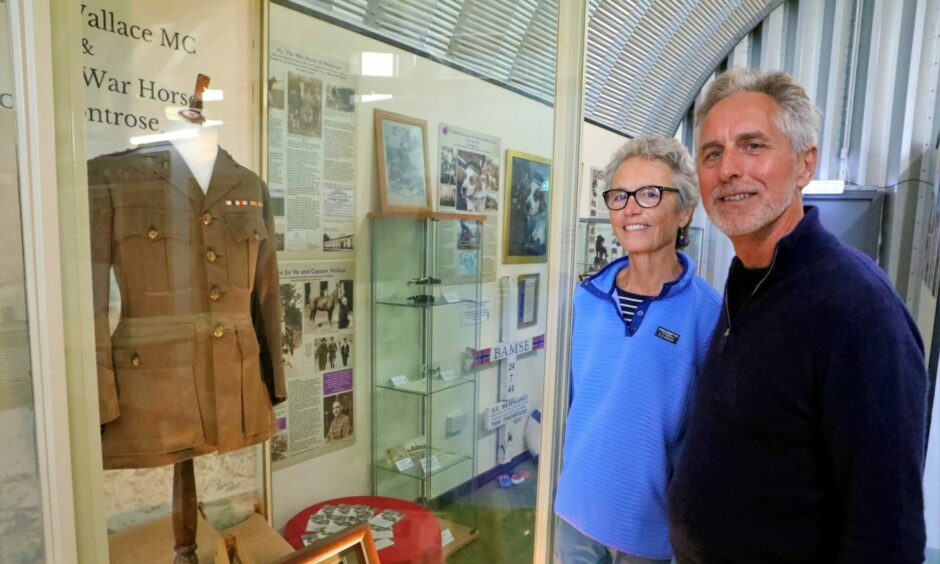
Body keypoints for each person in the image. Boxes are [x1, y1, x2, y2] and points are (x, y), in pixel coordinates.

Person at [667, 68, 928, 563]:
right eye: (713, 153)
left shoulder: (857, 310)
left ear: (805, 164)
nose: (728, 170)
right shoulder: (747, 280)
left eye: (753, 145)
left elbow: (886, 533)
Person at [554, 136, 721, 563]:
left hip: (651, 527)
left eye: (650, 194)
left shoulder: (708, 312)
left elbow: (709, 436)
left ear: (684, 211)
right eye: (620, 196)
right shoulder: (585, 298)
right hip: (575, 511)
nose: (630, 208)